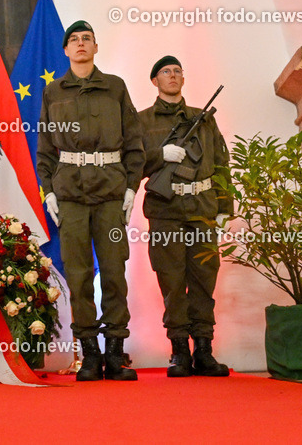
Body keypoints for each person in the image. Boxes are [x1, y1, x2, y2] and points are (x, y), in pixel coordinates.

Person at [36, 20, 144, 382]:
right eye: (74, 40)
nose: (81, 44)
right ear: (66, 50)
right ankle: (90, 354)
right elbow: (45, 149)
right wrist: (49, 191)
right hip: (71, 195)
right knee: (79, 273)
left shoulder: (115, 88)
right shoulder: (53, 93)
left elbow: (133, 141)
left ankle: (115, 352)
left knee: (114, 271)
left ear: (95, 48)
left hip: (111, 192)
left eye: (87, 39)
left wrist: (132, 186)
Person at [139, 56, 232, 377]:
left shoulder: (203, 118)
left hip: (202, 208)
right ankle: (179, 350)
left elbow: (221, 162)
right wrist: (158, 156)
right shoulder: (142, 121)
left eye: (178, 71)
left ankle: (204, 349)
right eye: (166, 71)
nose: (173, 75)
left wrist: (224, 206)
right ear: (154, 80)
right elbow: (131, 165)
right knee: (172, 279)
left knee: (204, 278)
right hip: (166, 210)